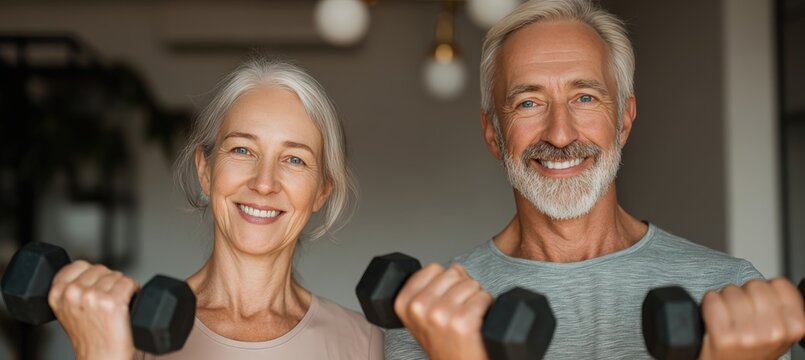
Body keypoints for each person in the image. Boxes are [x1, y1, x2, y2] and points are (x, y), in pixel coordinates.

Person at [384, 0, 805, 359]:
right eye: (528, 102)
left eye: (585, 97)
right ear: (494, 133)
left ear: (623, 121)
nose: (560, 134)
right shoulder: (430, 315)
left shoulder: (729, 291)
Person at [46, 58, 383, 359]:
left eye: (294, 159)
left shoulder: (362, 343)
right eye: (242, 150)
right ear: (205, 171)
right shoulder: (123, 330)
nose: (264, 183)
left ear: (321, 192)